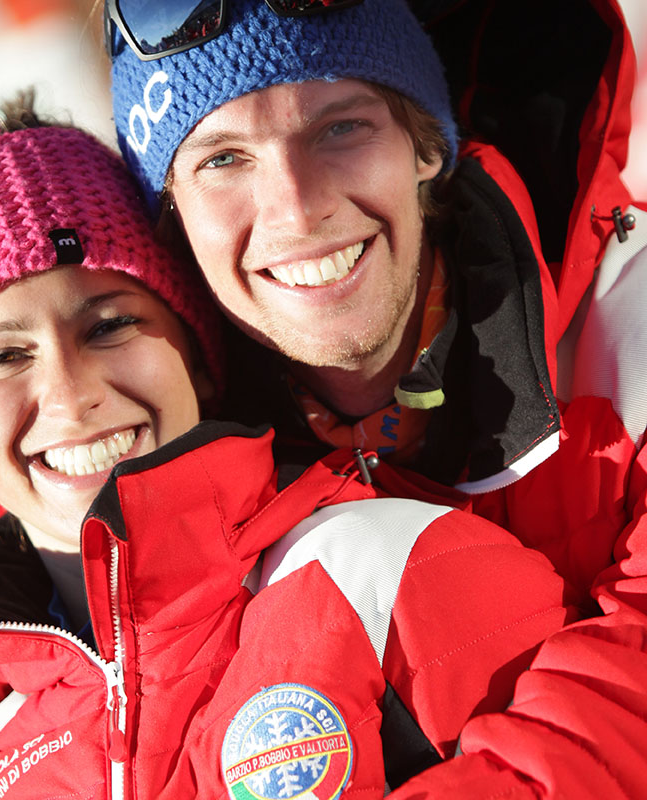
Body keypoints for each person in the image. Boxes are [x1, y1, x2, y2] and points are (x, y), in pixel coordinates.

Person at [0, 97, 579, 799]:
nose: (72, 395)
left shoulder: (390, 570)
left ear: (196, 356)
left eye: (109, 326)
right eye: (1, 358)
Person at [107, 0, 647, 796]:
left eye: (339, 128)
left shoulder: (626, 319)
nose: (296, 206)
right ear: (175, 216)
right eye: (222, 159)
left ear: (427, 148)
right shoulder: (173, 424)